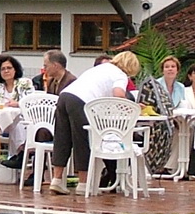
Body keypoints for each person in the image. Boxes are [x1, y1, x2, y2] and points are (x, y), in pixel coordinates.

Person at [48, 50, 140, 195]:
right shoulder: (120, 75)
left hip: (65, 96)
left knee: (62, 139)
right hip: (81, 102)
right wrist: (134, 106)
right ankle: (83, 184)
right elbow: (118, 94)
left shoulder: (100, 68)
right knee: (82, 141)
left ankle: (57, 180)